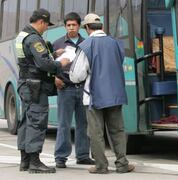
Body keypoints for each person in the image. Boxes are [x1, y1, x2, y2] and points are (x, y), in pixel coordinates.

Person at [69, 13, 134, 174]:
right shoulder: (116, 43)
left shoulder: (86, 46)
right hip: (115, 94)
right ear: (102, 27)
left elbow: (77, 75)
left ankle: (101, 166)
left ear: (86, 28)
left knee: (96, 133)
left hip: (94, 96)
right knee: (117, 130)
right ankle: (122, 164)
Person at [15, 9, 70, 173]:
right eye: (46, 25)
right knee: (37, 121)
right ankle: (34, 162)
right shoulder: (34, 39)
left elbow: (30, 60)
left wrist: (52, 53)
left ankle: (25, 161)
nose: (46, 28)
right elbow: (43, 64)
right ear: (41, 22)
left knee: (26, 121)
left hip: (26, 84)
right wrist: (61, 63)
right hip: (35, 86)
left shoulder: (23, 35)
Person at [53, 12, 94, 169]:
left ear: (79, 26)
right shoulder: (57, 44)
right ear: (65, 26)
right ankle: (61, 157)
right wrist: (54, 78)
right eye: (68, 25)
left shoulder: (87, 43)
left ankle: (83, 155)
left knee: (83, 123)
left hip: (83, 89)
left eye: (74, 25)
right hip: (65, 89)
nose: (71, 28)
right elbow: (48, 64)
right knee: (64, 124)